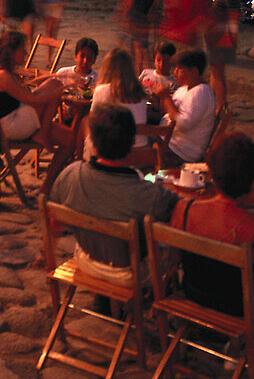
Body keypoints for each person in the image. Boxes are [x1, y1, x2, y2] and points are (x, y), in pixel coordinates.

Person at [49, 104, 177, 283]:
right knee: (173, 247)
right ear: (133, 142)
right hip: (128, 273)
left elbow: (54, 223)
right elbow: (180, 217)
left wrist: (45, 255)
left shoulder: (70, 175)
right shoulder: (149, 195)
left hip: (86, 259)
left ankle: (107, 302)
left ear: (93, 139)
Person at [171, 133, 254, 317]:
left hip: (195, 293)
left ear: (211, 172)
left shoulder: (184, 210)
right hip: (243, 308)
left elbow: (174, 259)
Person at [0, 31, 68, 161]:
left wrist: (52, 77)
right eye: (22, 51)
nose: (25, 54)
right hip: (12, 128)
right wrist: (63, 89)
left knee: (53, 82)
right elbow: (33, 100)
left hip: (7, 123)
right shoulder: (3, 76)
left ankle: (42, 132)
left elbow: (21, 91)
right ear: (11, 52)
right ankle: (43, 133)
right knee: (56, 87)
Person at [154, 48, 216, 165]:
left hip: (180, 151)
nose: (175, 73)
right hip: (167, 139)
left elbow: (183, 124)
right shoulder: (183, 89)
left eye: (180, 69)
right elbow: (168, 111)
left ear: (194, 72)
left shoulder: (201, 93)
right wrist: (162, 98)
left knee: (136, 141)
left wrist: (167, 98)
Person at [91, 47, 147, 146]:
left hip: (114, 150)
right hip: (141, 148)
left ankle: (83, 158)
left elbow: (93, 118)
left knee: (84, 122)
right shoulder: (140, 91)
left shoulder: (103, 90)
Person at [205, 0, 240, 111]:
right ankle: (216, 104)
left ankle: (220, 106)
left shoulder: (220, 2)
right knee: (217, 74)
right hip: (230, 41)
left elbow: (213, 21)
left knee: (217, 76)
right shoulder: (235, 1)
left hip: (218, 41)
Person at [125, 0, 160, 72]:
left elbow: (130, 2)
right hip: (147, 20)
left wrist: (126, 17)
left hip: (136, 19)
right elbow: (156, 5)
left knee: (137, 47)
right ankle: (147, 69)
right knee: (144, 47)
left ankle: (138, 71)